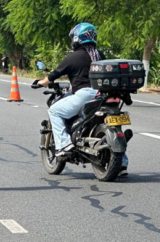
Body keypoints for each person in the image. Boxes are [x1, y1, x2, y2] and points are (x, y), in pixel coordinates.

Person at [36, 23, 128, 177]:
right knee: (113, 125)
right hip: (104, 95)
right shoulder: (100, 56)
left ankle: (64, 145)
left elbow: (53, 75)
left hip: (85, 95)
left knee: (54, 111)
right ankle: (122, 163)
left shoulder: (73, 57)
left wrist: (41, 82)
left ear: (77, 38)